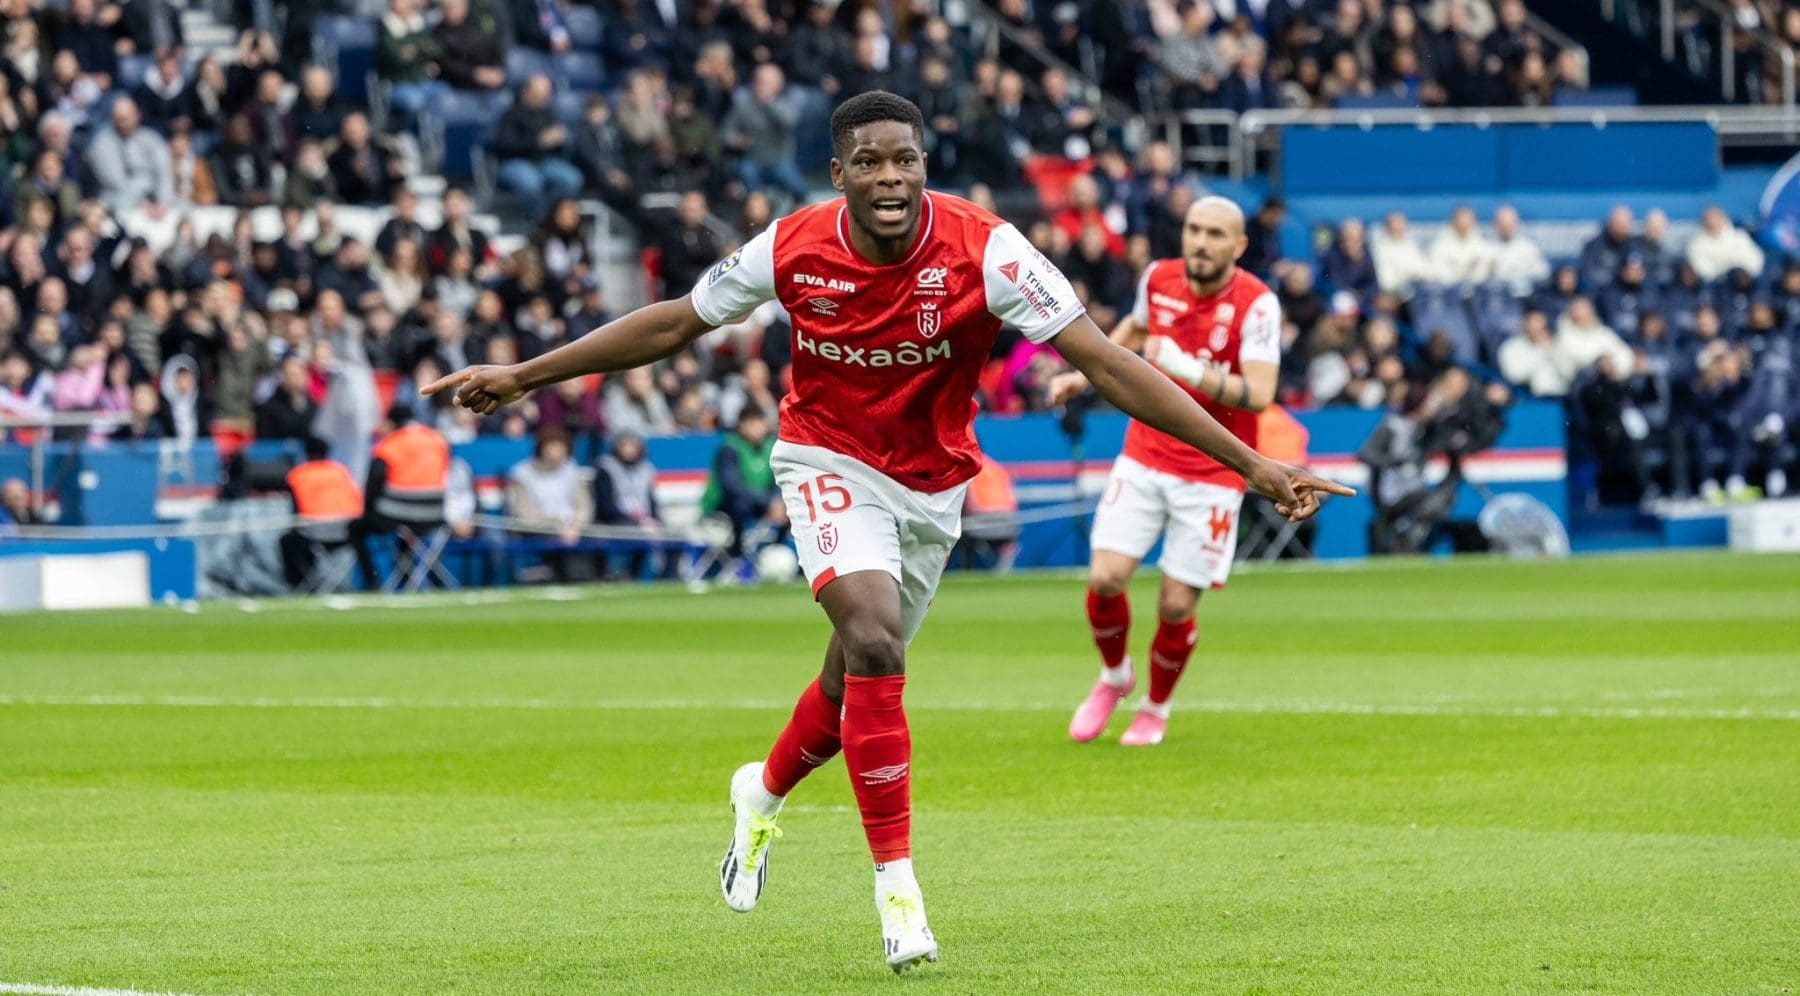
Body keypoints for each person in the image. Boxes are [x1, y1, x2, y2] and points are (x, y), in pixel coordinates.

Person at [420, 91, 1348, 973]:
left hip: (933, 488)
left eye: (907, 160)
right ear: (839, 174)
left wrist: (1255, 465)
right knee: (871, 638)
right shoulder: (788, 248)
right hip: (824, 461)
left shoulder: (990, 251)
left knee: (853, 674)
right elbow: (674, 323)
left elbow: (1104, 361)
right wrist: (526, 375)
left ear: (926, 166)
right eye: (870, 163)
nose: (892, 178)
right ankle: (898, 893)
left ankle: (763, 792)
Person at [1047, 195, 1287, 748]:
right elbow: (1131, 332)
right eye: (1194, 230)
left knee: (1176, 604)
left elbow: (1262, 394)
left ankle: (1156, 707)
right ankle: (1114, 677)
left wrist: (1191, 371)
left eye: (1215, 234)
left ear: (1239, 246)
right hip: (1146, 454)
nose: (1201, 242)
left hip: (1214, 473)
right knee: (1105, 578)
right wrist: (1081, 379)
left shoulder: (1257, 304)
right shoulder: (1158, 278)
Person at [280, 436, 364, 589]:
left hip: (314, 531)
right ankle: (370, 583)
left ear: (306, 453)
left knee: (288, 541)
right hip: (347, 530)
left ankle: (300, 585)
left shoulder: (298, 474)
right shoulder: (341, 471)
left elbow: (296, 511)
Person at [700, 406, 782, 559]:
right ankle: (737, 554)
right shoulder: (729, 448)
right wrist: (767, 501)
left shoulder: (771, 447)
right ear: (741, 426)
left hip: (760, 503)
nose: (756, 429)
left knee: (788, 510)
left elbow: (778, 479)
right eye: (751, 424)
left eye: (760, 423)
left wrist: (776, 501)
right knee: (741, 505)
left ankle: (775, 553)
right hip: (724, 505)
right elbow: (732, 486)